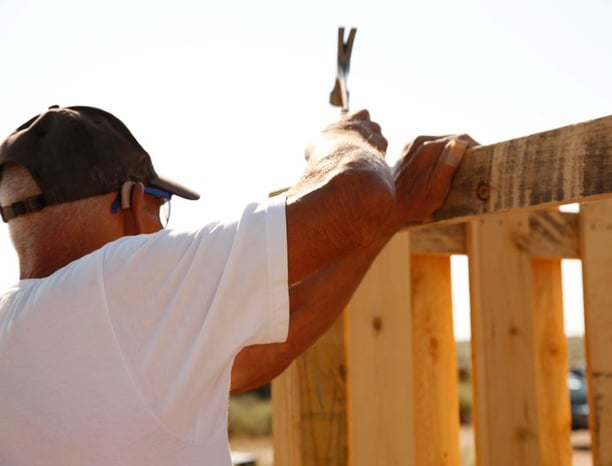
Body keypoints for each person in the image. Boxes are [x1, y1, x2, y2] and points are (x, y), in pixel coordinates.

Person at [0, 105, 472, 465]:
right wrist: (339, 140)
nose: (161, 228)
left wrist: (386, 223)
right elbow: (358, 195)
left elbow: (264, 351)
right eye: (160, 206)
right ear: (132, 202)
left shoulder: (21, 326)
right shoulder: (119, 281)